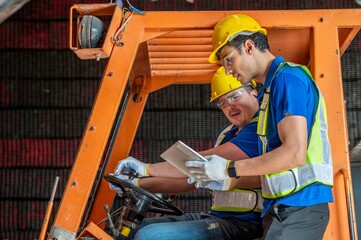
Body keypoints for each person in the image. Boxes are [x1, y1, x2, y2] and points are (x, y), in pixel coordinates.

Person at [185, 14, 334, 240]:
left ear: (249, 46)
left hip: (301, 205)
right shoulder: (270, 90)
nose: (227, 70)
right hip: (282, 207)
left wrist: (229, 169)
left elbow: (293, 154)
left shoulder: (288, 78)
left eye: (228, 59)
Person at [111, 66, 263, 240]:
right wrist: (136, 183)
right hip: (217, 217)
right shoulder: (227, 134)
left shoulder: (259, 130)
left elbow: (197, 163)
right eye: (222, 102)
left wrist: (145, 169)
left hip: (244, 225)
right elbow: (188, 180)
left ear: (253, 92)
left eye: (234, 96)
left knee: (149, 236)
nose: (230, 106)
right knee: (133, 228)